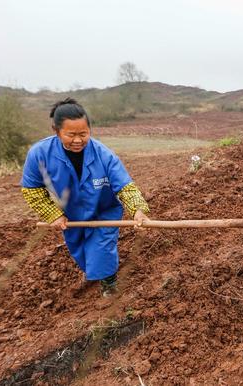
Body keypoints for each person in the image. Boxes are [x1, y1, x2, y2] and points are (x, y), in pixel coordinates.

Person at [21, 98, 150, 297]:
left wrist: (138, 210)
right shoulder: (39, 154)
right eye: (70, 135)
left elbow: (125, 186)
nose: (78, 140)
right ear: (56, 131)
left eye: (83, 134)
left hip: (104, 211)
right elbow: (32, 190)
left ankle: (109, 284)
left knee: (101, 250)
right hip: (73, 214)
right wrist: (53, 214)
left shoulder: (103, 155)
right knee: (80, 252)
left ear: (90, 129)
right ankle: (99, 271)